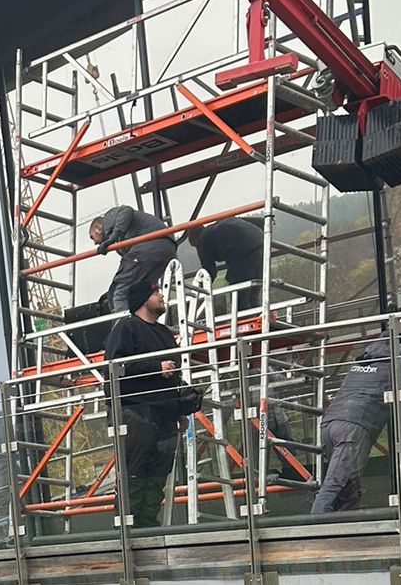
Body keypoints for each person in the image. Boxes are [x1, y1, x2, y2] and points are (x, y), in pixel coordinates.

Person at [106, 272, 189, 526]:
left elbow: (172, 373)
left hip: (163, 419)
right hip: (137, 416)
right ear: (143, 300)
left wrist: (181, 408)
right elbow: (113, 370)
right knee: (136, 478)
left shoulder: (164, 333)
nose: (162, 296)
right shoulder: (127, 329)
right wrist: (155, 368)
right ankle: (130, 531)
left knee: (155, 481)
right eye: (155, 293)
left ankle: (147, 529)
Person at [64, 207, 178, 352]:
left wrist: (113, 237)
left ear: (98, 228)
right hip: (164, 247)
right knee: (140, 292)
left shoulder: (109, 219)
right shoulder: (119, 241)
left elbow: (126, 211)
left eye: (93, 237)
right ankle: (144, 326)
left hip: (150, 244)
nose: (94, 243)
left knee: (118, 292)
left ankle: (121, 336)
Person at [310, 336, 394, 515]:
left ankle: (345, 530)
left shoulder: (359, 365)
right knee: (335, 484)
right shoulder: (393, 365)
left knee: (348, 488)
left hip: (329, 425)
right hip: (353, 426)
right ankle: (314, 529)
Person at [193, 216, 264, 312]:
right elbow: (248, 221)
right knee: (252, 294)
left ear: (194, 240)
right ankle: (259, 317)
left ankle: (244, 322)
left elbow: (209, 271)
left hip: (243, 250)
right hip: (260, 243)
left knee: (238, 296)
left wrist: (197, 291)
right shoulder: (218, 227)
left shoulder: (202, 240)